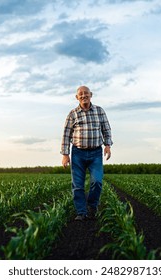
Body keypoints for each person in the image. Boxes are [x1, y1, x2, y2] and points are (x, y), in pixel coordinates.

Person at [61, 85, 113, 221]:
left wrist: (107, 145)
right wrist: (65, 154)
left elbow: (106, 129)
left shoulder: (99, 111)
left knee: (97, 181)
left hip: (96, 152)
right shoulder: (72, 114)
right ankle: (81, 212)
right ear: (77, 97)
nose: (84, 96)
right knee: (77, 185)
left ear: (91, 95)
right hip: (78, 153)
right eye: (81, 94)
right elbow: (66, 134)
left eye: (86, 93)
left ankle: (92, 205)